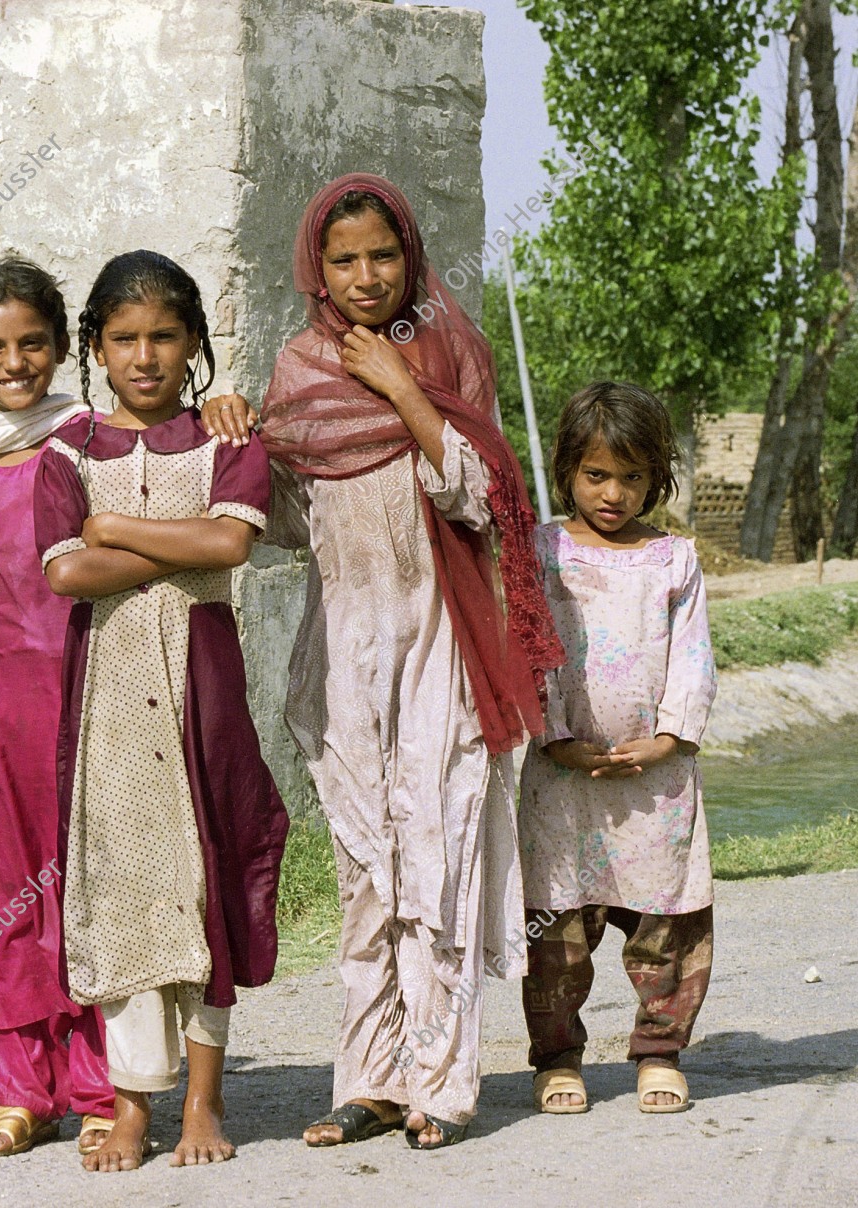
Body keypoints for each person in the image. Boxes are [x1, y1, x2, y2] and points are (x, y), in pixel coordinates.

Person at [0, 256, 261, 1160]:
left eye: (33, 342)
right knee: (4, 891)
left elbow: (223, 529)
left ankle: (100, 1088)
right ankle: (17, 1091)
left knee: (101, 885)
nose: (14, 361)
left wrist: (222, 416)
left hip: (96, 687)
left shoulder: (91, 434)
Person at [260, 173, 564, 1150]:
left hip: (439, 643)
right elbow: (272, 522)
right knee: (366, 871)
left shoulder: (448, 349)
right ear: (317, 264)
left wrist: (401, 387)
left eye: (382, 256)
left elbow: (482, 495)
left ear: (411, 257)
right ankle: (370, 1079)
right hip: (345, 652)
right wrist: (232, 434)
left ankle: (441, 1081)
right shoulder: (296, 369)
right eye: (342, 259)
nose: (363, 276)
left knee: (439, 857)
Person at [35, 249, 290, 1173]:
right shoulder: (67, 449)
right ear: (94, 347)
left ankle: (206, 1103)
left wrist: (116, 530)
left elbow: (231, 543)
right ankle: (134, 1105)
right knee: (126, 888)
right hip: (108, 696)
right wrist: (182, 548)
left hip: (202, 688)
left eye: (165, 336)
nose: (145, 356)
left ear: (193, 343)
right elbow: (67, 572)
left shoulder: (228, 439)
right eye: (124, 338)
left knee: (206, 876)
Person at [518, 381, 716, 1116]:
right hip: (563, 781)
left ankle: (659, 1051)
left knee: (667, 917)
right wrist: (557, 737)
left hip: (653, 781)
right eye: (597, 474)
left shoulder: (674, 560)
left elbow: (694, 657)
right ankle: (558, 1056)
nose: (613, 492)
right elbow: (530, 649)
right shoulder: (543, 550)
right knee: (558, 925)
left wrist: (666, 739)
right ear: (569, 467)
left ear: (656, 476)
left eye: (632, 476)